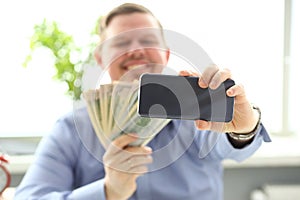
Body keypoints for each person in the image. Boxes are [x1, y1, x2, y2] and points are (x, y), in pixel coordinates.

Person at [14, 3, 271, 200]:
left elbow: (232, 145)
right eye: (121, 43)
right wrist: (107, 191)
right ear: (101, 59)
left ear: (167, 54)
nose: (136, 50)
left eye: (148, 40)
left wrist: (245, 126)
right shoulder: (70, 129)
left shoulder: (195, 112)